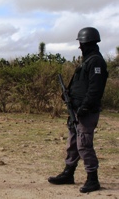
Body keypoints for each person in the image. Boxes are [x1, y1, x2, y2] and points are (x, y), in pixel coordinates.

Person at [48, 27, 108, 193]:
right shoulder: (87, 60)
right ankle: (68, 174)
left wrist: (85, 107)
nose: (80, 47)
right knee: (73, 143)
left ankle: (92, 179)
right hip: (77, 110)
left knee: (84, 144)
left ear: (87, 42)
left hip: (86, 111)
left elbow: (95, 89)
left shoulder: (96, 61)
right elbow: (81, 85)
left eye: (81, 43)